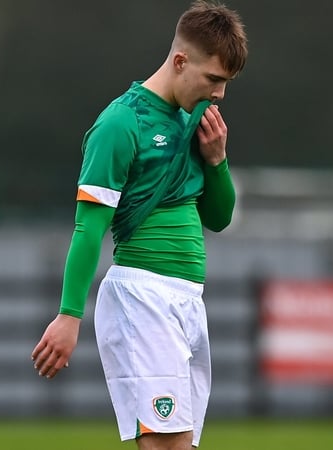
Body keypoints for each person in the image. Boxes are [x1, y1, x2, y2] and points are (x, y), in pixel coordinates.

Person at [30, 2, 247, 449]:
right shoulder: (120, 123)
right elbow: (88, 229)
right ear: (181, 61)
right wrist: (69, 315)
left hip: (187, 302)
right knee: (166, 445)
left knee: (178, 446)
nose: (220, 94)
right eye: (214, 79)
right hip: (142, 298)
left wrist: (218, 161)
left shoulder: (194, 121)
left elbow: (219, 218)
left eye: (226, 83)